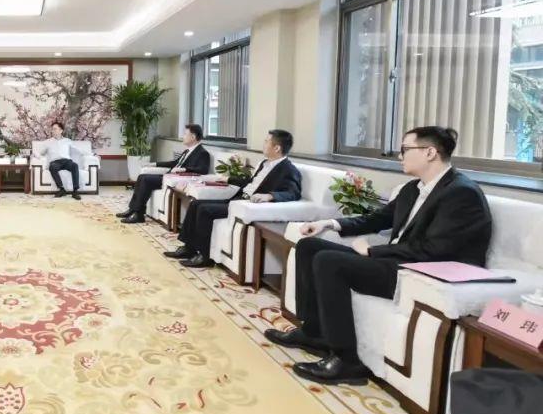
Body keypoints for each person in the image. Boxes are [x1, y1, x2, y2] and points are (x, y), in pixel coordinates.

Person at [264, 127, 492, 385]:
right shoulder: (413, 189)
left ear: (430, 152)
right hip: (395, 261)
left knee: (329, 262)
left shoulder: (461, 193)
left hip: (421, 273)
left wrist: (373, 251)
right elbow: (377, 219)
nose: (400, 156)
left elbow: (436, 250)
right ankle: (314, 333)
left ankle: (347, 361)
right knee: (309, 247)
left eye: (405, 149)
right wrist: (329, 223)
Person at [166, 129, 302, 267]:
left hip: (246, 204)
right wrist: (227, 179)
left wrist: (270, 196)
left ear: (277, 148)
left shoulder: (288, 169)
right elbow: (250, 183)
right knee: (196, 204)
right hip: (238, 198)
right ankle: (188, 248)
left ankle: (204, 256)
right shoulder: (264, 163)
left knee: (204, 210)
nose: (264, 144)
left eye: (267, 141)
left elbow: (293, 193)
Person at [117, 123, 211, 223]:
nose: (182, 136)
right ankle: (133, 209)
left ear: (193, 137)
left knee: (145, 180)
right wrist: (154, 164)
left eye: (185, 134)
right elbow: (174, 163)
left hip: (176, 180)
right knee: (142, 177)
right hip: (169, 177)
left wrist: (184, 169)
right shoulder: (187, 151)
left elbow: (203, 170)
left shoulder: (202, 153)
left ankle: (139, 215)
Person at [38, 121, 83, 200]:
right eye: (52, 129)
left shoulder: (67, 141)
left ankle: (75, 191)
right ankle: (62, 189)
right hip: (55, 162)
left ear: (61, 130)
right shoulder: (48, 142)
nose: (53, 131)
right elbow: (40, 152)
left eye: (55, 129)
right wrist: (34, 155)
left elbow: (78, 150)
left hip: (67, 161)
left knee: (75, 166)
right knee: (52, 167)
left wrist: (93, 154)